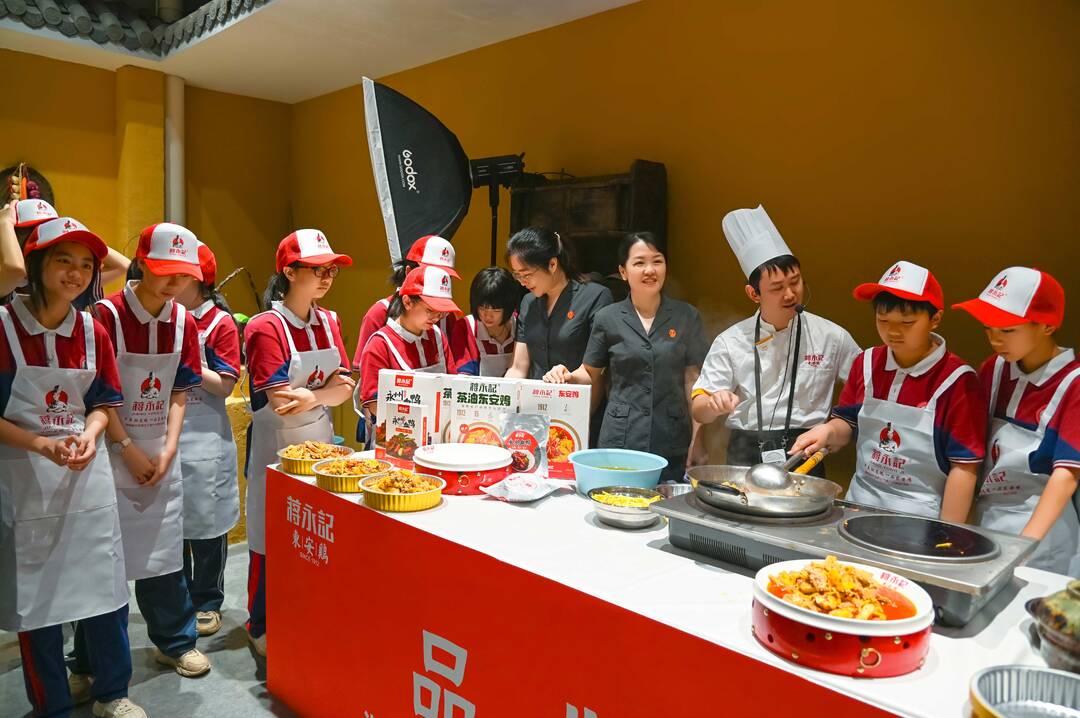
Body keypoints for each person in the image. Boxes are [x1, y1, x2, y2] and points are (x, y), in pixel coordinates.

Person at [0, 217, 146, 718]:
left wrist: (88, 433)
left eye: (86, 265)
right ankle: (53, 705)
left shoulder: (92, 329)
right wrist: (40, 443)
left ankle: (113, 692)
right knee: (38, 602)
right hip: (25, 478)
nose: (77, 273)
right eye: (64, 260)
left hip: (86, 480)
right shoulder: (3, 326)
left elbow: (103, 401)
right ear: (37, 263)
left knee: (104, 588)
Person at [92, 222, 210, 678]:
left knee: (165, 556)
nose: (174, 283)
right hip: (109, 453)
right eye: (165, 272)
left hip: (160, 453)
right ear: (141, 263)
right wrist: (126, 448)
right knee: (105, 563)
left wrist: (167, 449)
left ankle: (176, 642)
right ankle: (92, 660)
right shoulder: (107, 316)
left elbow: (180, 391)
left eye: (182, 275)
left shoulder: (184, 321)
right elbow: (99, 394)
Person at [790, 261, 985, 521]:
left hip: (921, 518)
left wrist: (948, 533)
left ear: (935, 319)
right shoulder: (867, 362)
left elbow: (964, 466)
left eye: (906, 322)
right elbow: (847, 422)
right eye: (883, 320)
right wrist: (828, 431)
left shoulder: (957, 380)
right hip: (858, 506)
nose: (892, 331)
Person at [243, 229, 354, 656]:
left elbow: (346, 385)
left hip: (322, 443)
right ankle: (260, 624)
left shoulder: (330, 321)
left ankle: (306, 613)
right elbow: (281, 401)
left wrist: (314, 396)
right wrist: (320, 395)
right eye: (316, 269)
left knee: (313, 538)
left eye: (331, 270)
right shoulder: (263, 327)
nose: (326, 277)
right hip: (275, 447)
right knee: (269, 537)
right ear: (289, 271)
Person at [691, 206, 860, 473]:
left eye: (796, 282)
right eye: (777, 288)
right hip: (745, 451)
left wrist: (838, 426)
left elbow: (867, 388)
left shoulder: (832, 336)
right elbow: (699, 409)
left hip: (806, 450)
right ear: (753, 293)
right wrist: (714, 404)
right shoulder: (731, 341)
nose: (791, 294)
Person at [543, 233, 709, 482]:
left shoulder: (687, 316)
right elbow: (589, 372)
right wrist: (564, 374)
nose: (650, 270)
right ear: (623, 271)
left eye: (657, 261)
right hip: (621, 437)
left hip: (671, 437)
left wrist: (699, 438)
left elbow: (693, 381)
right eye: (639, 263)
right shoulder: (607, 318)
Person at [954, 267, 1079, 575]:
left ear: (1047, 326)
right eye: (988, 329)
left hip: (1043, 535)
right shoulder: (994, 368)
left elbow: (1066, 476)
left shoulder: (1073, 383)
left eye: (1007, 330)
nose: (995, 340)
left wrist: (1023, 548)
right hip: (989, 518)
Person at [175, 242, 242, 635]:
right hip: (167, 435)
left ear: (199, 281)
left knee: (208, 525)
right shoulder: (164, 318)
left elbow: (225, 384)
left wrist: (188, 362)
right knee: (174, 527)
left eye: (178, 276)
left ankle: (208, 599)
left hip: (205, 437)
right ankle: (178, 598)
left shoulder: (218, 324)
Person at [504, 226, 613, 383]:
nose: (522, 282)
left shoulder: (595, 297)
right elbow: (518, 368)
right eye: (517, 275)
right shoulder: (528, 303)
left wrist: (568, 376)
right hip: (535, 400)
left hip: (577, 399)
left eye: (526, 274)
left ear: (552, 265)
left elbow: (597, 371)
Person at [356, 265, 460, 424]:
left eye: (441, 312)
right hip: (397, 437)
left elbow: (452, 385)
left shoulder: (438, 336)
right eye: (430, 310)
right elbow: (374, 404)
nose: (436, 317)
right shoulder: (380, 344)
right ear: (407, 302)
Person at [351, 234, 460, 372]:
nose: (438, 279)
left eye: (445, 276)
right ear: (408, 271)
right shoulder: (379, 312)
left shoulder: (447, 316)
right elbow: (366, 376)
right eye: (428, 272)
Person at [450, 267, 520, 376]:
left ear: (508, 307)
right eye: (482, 308)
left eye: (496, 310)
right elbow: (464, 374)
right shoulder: (465, 328)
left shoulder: (521, 324)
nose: (487, 315)